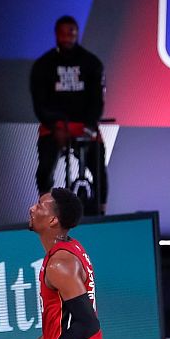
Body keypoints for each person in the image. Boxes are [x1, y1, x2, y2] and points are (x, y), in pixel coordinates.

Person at [30, 15, 108, 215]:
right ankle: (44, 208)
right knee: (45, 167)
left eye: (71, 33)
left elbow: (97, 101)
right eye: (63, 34)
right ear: (57, 35)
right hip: (54, 125)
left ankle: (101, 209)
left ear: (77, 34)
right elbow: (39, 103)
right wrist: (55, 124)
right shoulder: (43, 65)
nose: (67, 38)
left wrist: (89, 125)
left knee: (98, 162)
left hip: (84, 124)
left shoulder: (92, 63)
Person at [29, 188, 104, 339]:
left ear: (53, 220)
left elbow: (89, 324)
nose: (32, 208)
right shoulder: (70, 248)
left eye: (40, 206)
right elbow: (63, 325)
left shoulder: (60, 264)